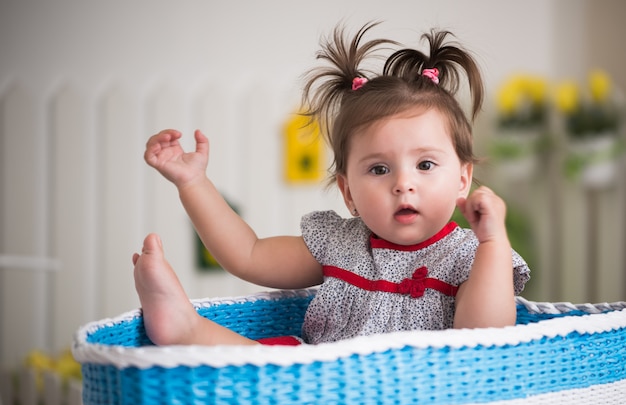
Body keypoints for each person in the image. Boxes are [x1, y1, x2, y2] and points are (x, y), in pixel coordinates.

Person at [132, 22, 530, 347]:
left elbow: (484, 341)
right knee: (264, 360)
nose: (403, 183)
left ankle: (185, 329)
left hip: (413, 396)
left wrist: (493, 242)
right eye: (379, 169)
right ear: (348, 192)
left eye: (425, 164)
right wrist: (193, 182)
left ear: (462, 180)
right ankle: (186, 328)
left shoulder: (469, 257)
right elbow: (248, 254)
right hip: (319, 387)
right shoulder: (340, 243)